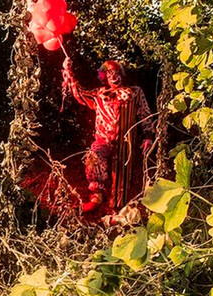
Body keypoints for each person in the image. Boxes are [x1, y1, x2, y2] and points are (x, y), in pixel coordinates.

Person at [62, 58, 154, 213]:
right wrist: (68, 71)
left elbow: (145, 113)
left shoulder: (134, 92)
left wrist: (148, 136)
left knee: (122, 175)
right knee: (94, 157)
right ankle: (97, 196)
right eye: (109, 74)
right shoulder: (100, 94)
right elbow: (79, 93)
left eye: (116, 73)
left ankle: (118, 208)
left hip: (125, 141)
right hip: (103, 140)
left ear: (122, 74)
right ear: (105, 77)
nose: (114, 77)